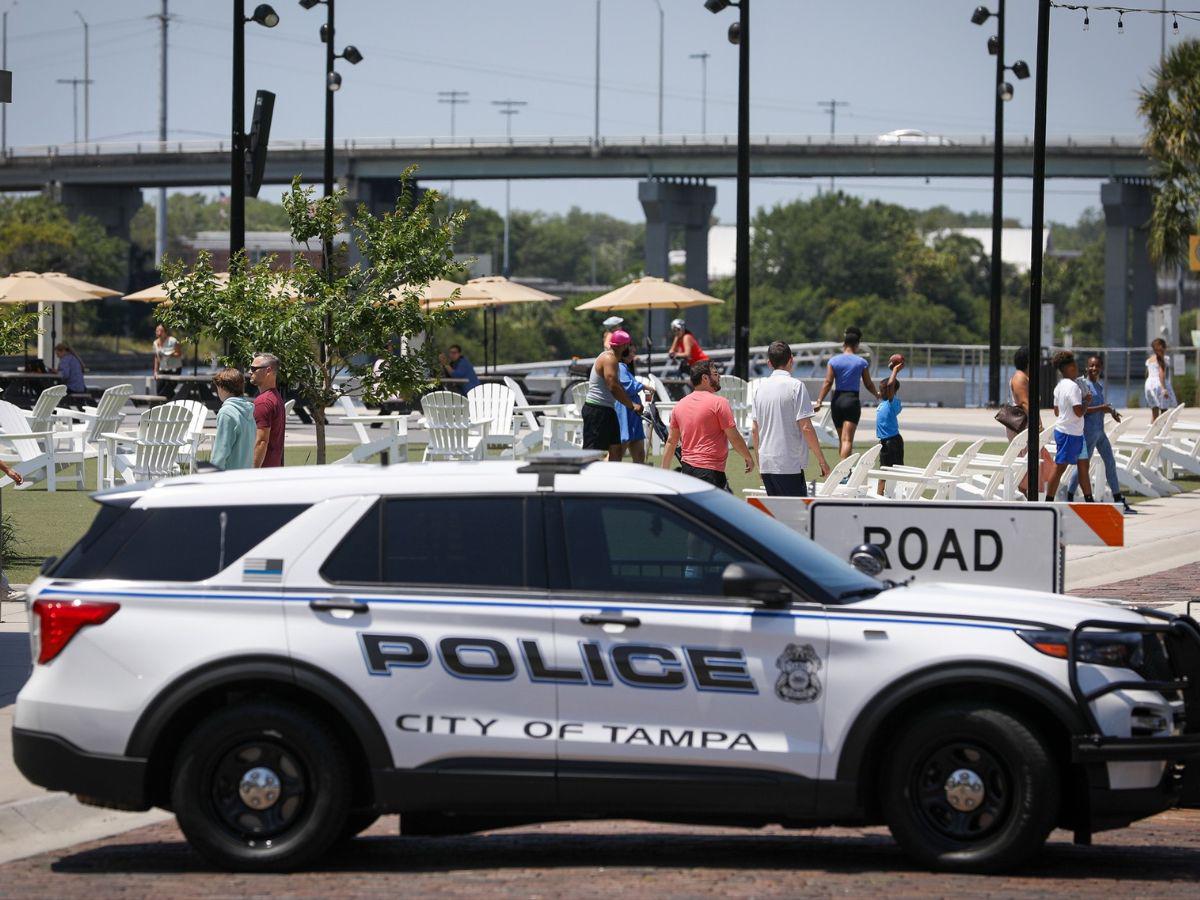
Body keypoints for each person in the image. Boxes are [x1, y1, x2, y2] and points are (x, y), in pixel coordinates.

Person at [751, 340, 830, 496]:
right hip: (788, 462)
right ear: (791, 360)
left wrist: (760, 463)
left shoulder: (759, 389)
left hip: (766, 463)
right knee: (796, 515)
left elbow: (755, 430)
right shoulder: (796, 386)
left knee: (776, 514)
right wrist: (822, 460)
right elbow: (806, 427)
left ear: (769, 363)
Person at [661, 360, 754, 489]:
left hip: (687, 470)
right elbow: (733, 436)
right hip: (710, 471)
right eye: (715, 374)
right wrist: (747, 456)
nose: (719, 377)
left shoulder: (679, 405)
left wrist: (663, 471)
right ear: (705, 378)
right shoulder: (719, 403)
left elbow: (671, 441)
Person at [1068, 354, 1134, 513]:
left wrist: (1111, 411)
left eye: (1097, 366)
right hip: (1088, 433)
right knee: (1083, 467)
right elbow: (1079, 411)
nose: (1094, 368)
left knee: (1110, 463)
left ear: (1101, 368)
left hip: (1100, 433)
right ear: (1086, 367)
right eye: (1091, 365)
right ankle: (1069, 496)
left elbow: (1101, 406)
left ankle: (1118, 499)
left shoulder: (1098, 386)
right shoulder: (1082, 385)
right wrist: (1102, 408)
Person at [814, 327, 880, 460]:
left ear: (844, 344)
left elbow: (828, 382)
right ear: (857, 345)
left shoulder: (833, 361)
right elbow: (868, 384)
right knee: (847, 440)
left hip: (837, 401)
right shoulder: (861, 362)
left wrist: (819, 401)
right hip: (851, 401)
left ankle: (842, 472)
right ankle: (844, 474)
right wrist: (877, 394)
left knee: (841, 439)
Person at [583, 330, 643, 458]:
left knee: (616, 448)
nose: (629, 348)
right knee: (592, 453)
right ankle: (586, 477)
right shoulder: (609, 359)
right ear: (621, 346)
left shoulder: (616, 360)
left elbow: (618, 385)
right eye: (628, 345)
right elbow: (613, 387)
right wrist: (632, 405)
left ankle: (612, 476)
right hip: (597, 410)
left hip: (608, 410)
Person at [1045, 350, 1093, 502]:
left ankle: (1089, 500)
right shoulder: (1073, 387)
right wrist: (1087, 401)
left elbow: (1056, 411)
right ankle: (1048, 501)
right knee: (1060, 467)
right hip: (1069, 433)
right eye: (1075, 366)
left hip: (1074, 433)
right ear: (1069, 367)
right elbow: (1079, 412)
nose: (1077, 369)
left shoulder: (1059, 386)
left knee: (1083, 466)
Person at [611, 337, 654, 463]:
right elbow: (627, 386)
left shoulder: (624, 367)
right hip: (626, 410)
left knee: (639, 452)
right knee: (619, 451)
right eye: (632, 352)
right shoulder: (620, 366)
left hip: (632, 412)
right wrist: (643, 386)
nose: (634, 356)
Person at [209, 368, 256, 471]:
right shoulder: (249, 410)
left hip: (229, 476)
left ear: (222, 388)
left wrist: (211, 474)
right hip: (245, 474)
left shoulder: (226, 412)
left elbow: (221, 450)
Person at [249, 352, 286, 468]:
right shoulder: (275, 397)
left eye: (254, 368)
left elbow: (261, 442)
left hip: (263, 472)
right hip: (273, 469)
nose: (250, 372)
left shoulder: (263, 402)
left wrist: (252, 473)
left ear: (268, 370)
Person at [875, 356, 904, 496]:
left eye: (882, 389)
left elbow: (891, 384)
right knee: (884, 470)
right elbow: (888, 387)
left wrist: (895, 371)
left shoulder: (893, 403)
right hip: (885, 442)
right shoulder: (883, 404)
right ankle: (881, 494)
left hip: (892, 442)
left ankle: (881, 495)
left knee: (889, 471)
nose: (879, 391)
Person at [1145, 337, 1177, 422]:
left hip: (1149, 385)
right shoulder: (1164, 359)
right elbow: (1161, 374)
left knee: (1154, 412)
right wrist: (1163, 389)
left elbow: (1148, 374)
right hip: (1159, 384)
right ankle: (1162, 432)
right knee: (1164, 412)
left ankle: (1153, 432)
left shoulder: (1149, 360)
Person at [52, 342, 89, 408]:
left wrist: (56, 372)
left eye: (57, 353)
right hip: (81, 388)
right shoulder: (74, 358)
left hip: (72, 387)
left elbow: (65, 375)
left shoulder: (65, 360)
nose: (57, 356)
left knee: (54, 392)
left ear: (63, 351)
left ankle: (59, 410)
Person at [152, 324, 183, 399]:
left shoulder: (173, 341)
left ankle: (164, 406)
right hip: (162, 369)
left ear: (165, 332)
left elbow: (179, 354)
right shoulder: (155, 343)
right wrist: (155, 371)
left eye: (161, 331)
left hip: (174, 369)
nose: (159, 332)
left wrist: (170, 354)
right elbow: (156, 357)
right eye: (157, 331)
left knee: (165, 392)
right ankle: (176, 401)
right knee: (159, 391)